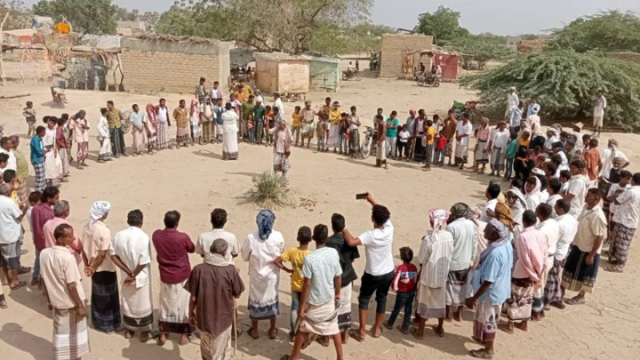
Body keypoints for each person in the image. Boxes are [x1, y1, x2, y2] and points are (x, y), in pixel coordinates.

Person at [282, 224, 343, 360]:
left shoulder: (310, 259)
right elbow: (338, 276)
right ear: (327, 238)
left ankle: (293, 357)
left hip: (314, 300)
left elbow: (307, 285)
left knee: (302, 329)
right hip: (328, 298)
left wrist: (302, 306)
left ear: (313, 238)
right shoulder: (333, 253)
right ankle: (340, 357)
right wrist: (337, 293)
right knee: (333, 327)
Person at [342, 193, 394, 342]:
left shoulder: (371, 235)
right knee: (382, 298)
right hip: (388, 270)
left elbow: (351, 242)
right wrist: (372, 201)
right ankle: (377, 328)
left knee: (364, 298)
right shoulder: (389, 228)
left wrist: (344, 229)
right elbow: (382, 213)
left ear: (372, 219)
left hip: (373, 273)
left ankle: (361, 331)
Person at [185, 239, 245, 360]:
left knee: (207, 351)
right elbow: (237, 294)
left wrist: (191, 312)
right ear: (224, 253)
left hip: (203, 318)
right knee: (221, 354)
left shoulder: (198, 269)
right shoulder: (230, 270)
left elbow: (193, 298)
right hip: (223, 320)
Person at [40, 223, 91, 360]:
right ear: (60, 239)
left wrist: (49, 300)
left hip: (57, 301)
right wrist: (80, 306)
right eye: (69, 237)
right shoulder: (67, 257)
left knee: (61, 332)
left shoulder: (44, 253)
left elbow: (44, 279)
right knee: (75, 334)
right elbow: (72, 285)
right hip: (71, 302)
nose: (73, 238)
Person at [465, 219, 513, 359]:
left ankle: (488, 350)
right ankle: (484, 340)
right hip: (498, 289)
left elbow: (488, 281)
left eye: (486, 230)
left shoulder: (494, 254)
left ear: (493, 233)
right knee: (487, 318)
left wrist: (473, 298)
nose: (484, 232)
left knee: (489, 320)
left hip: (490, 294)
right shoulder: (505, 244)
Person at [152, 210, 196, 345]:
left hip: (165, 275)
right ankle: (184, 335)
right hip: (182, 274)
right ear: (177, 223)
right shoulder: (182, 237)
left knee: (166, 304)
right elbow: (192, 248)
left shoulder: (156, 235)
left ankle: (164, 334)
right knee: (183, 305)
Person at [110, 210, 153, 342]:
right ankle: (145, 331)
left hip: (126, 276)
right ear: (141, 222)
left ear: (128, 221)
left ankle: (129, 330)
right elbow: (144, 261)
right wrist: (133, 273)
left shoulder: (119, 235)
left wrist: (128, 272)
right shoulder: (143, 237)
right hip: (140, 277)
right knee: (143, 302)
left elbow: (113, 255)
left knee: (128, 302)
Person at [241, 209, 285, 340]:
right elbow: (281, 252)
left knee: (256, 301)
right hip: (272, 276)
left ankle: (255, 330)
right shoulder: (278, 236)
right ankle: (272, 329)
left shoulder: (251, 238)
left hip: (256, 277)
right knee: (272, 300)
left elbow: (244, 256)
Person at [412, 209, 454, 339]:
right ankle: (440, 328)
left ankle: (421, 331)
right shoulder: (449, 236)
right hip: (442, 275)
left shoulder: (429, 240)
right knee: (439, 302)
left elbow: (421, 259)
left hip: (428, 276)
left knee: (425, 302)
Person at [503, 210, 546, 333]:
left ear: (523, 221)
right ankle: (524, 323)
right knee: (527, 297)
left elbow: (524, 258)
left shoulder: (522, 236)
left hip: (522, 272)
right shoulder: (541, 235)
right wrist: (538, 274)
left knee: (515, 297)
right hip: (536, 272)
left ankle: (510, 324)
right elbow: (544, 254)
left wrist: (533, 274)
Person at [82, 201, 121, 333]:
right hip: (104, 267)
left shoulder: (87, 226)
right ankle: (109, 324)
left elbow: (84, 248)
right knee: (108, 296)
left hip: (92, 266)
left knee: (97, 295)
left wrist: (88, 265)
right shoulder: (104, 230)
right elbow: (102, 254)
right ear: (103, 215)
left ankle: (97, 322)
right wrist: (93, 267)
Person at [562, 188, 606, 305]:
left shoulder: (598, 216)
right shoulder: (585, 208)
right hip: (578, 244)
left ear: (596, 199)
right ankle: (561, 292)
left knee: (586, 274)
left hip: (588, 249)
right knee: (570, 268)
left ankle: (581, 296)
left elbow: (599, 237)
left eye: (588, 196)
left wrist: (591, 255)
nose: (585, 197)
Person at [324, 213, 359, 344]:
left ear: (332, 227)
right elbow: (353, 258)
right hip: (347, 277)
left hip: (333, 280)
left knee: (330, 307)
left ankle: (326, 338)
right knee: (345, 307)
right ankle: (344, 336)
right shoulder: (349, 240)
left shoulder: (329, 242)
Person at [274, 226, 312, 340]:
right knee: (305, 309)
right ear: (310, 239)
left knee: (294, 309)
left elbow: (277, 261)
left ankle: (293, 332)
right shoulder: (311, 255)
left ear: (297, 238)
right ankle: (302, 331)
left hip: (295, 285)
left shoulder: (292, 251)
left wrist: (287, 269)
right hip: (307, 287)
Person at [444, 203, 478, 321]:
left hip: (453, 262)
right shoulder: (471, 225)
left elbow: (448, 247)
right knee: (462, 288)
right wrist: (472, 260)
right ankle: (459, 313)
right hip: (466, 262)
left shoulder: (451, 227)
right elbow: (475, 244)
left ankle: (448, 313)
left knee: (449, 288)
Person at [544, 199, 578, 309]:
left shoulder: (558, 224)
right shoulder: (572, 219)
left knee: (551, 277)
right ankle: (556, 297)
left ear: (560, 209)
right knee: (554, 275)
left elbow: (553, 239)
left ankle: (549, 301)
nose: (554, 210)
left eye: (556, 208)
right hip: (564, 250)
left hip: (556, 252)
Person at [607, 172, 640, 273]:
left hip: (624, 220)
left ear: (633, 180)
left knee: (621, 243)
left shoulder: (630, 191)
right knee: (620, 241)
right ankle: (617, 260)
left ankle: (620, 264)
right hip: (631, 219)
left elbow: (617, 201)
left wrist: (615, 196)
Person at [532, 203, 559, 319]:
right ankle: (540, 309)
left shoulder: (542, 230)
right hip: (550, 257)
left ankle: (537, 312)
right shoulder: (553, 222)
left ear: (540, 214)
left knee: (537, 286)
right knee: (541, 285)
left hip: (543, 259)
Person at [0, 183, 27, 290]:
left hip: (2, 235)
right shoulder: (8, 202)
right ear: (7, 192)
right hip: (9, 235)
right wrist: (25, 208)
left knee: (3, 259)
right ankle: (14, 282)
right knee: (13, 259)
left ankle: (6, 279)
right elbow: (19, 216)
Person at [31, 186, 59, 286]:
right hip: (46, 242)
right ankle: (41, 282)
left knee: (38, 259)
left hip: (37, 240)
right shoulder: (49, 213)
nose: (57, 200)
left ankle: (35, 278)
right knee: (47, 264)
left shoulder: (35, 208)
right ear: (49, 198)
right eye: (56, 198)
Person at [42, 200, 82, 265]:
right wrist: (79, 248)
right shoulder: (66, 226)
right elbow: (76, 244)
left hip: (52, 257)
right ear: (66, 212)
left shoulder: (47, 224)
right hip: (67, 256)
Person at [9, 136, 29, 206]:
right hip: (18, 176)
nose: (19, 143)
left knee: (23, 192)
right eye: (17, 141)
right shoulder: (10, 152)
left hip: (23, 174)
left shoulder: (16, 150)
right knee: (19, 194)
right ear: (14, 143)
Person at [43, 117, 61, 187]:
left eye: (54, 124)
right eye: (51, 123)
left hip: (52, 150)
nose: (52, 125)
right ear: (48, 121)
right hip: (46, 150)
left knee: (55, 164)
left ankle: (53, 181)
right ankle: (46, 182)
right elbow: (43, 141)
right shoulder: (45, 130)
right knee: (47, 166)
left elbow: (54, 140)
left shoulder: (54, 130)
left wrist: (55, 149)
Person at [30, 126, 47, 191]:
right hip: (37, 160)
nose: (44, 134)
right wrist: (45, 151)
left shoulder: (39, 138)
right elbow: (38, 151)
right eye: (44, 132)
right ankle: (38, 191)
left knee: (43, 175)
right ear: (40, 132)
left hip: (41, 159)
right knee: (39, 177)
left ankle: (43, 189)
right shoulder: (35, 139)